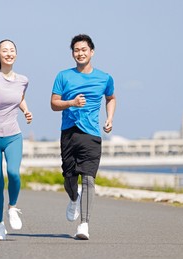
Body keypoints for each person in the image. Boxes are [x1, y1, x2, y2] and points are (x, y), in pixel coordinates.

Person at [50, 34, 116, 240]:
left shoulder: (105, 78)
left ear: (91, 52)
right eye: (76, 50)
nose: (80, 53)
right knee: (69, 179)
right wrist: (71, 103)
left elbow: (111, 98)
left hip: (91, 134)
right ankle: (73, 198)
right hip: (69, 133)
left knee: (88, 179)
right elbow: (53, 104)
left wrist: (110, 118)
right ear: (73, 53)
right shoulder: (63, 76)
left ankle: (84, 225)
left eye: (84, 50)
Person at [0, 39, 33, 241]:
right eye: (4, 50)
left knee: (13, 173)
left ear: (16, 54)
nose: (8, 53)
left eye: (12, 50)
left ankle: (12, 207)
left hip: (13, 136)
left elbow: (18, 97)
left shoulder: (23, 80)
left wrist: (26, 110)